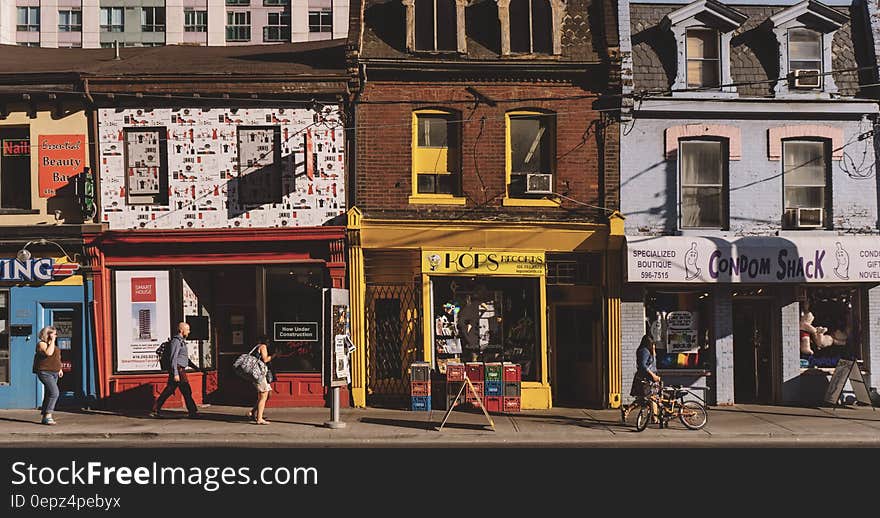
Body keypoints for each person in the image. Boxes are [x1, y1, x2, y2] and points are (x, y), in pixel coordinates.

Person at [151, 322, 199, 418]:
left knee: (170, 390)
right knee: (186, 390)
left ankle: (155, 409)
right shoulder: (176, 341)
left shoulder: (182, 341)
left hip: (180, 369)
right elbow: (173, 358)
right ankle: (193, 412)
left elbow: (184, 357)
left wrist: (195, 367)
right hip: (178, 369)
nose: (189, 332)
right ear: (182, 330)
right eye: (187, 329)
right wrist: (175, 373)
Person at [621, 333, 661, 423]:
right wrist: (653, 375)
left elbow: (652, 364)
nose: (654, 345)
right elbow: (643, 366)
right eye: (652, 343)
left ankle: (653, 417)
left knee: (649, 398)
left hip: (651, 378)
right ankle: (653, 417)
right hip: (645, 379)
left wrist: (653, 352)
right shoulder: (644, 351)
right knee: (648, 398)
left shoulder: (650, 351)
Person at [33, 326, 63, 425]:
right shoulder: (41, 344)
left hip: (55, 372)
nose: (56, 335)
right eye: (54, 334)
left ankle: (44, 416)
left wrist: (60, 369)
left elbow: (57, 357)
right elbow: (49, 353)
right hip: (45, 372)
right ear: (48, 334)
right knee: (55, 393)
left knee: (49, 394)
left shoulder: (53, 345)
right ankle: (48, 415)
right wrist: (53, 341)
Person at [247, 335, 274, 425]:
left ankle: (252, 412)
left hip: (258, 374)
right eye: (268, 341)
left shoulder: (256, 347)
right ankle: (259, 418)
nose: (269, 343)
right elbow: (265, 359)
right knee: (263, 395)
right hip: (259, 374)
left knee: (268, 393)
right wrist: (274, 356)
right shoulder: (263, 346)